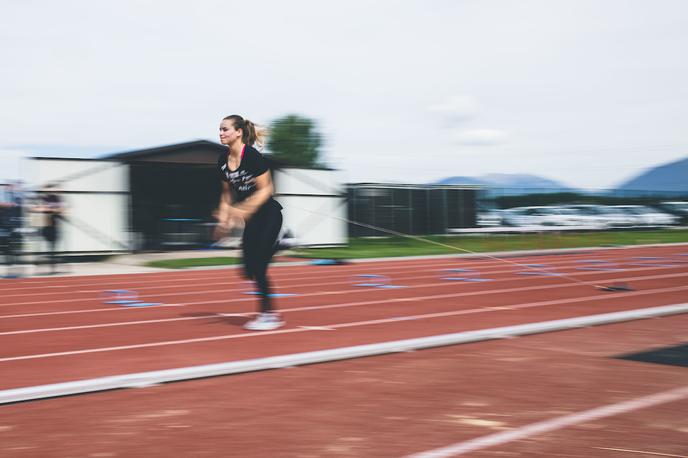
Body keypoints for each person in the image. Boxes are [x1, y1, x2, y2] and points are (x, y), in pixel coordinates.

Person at [215, 115, 285, 331]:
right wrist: (224, 218)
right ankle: (282, 245)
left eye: (225, 129)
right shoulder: (222, 161)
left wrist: (245, 208)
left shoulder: (252, 156)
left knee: (259, 268)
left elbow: (267, 189)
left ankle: (269, 314)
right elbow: (227, 195)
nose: (221, 133)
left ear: (238, 132)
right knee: (246, 270)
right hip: (252, 221)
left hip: (269, 216)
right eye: (219, 129)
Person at [35, 184, 64, 274]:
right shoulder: (42, 198)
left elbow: (62, 209)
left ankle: (53, 268)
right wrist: (51, 209)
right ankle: (41, 263)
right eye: (47, 189)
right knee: (47, 247)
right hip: (45, 226)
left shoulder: (57, 198)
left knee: (53, 248)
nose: (50, 191)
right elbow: (38, 208)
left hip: (55, 226)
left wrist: (51, 209)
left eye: (51, 189)